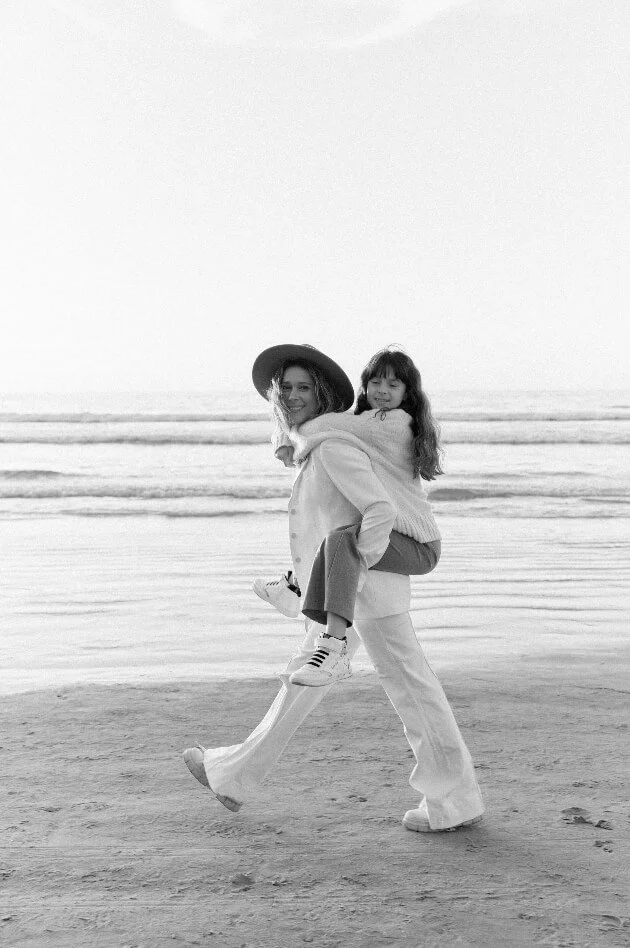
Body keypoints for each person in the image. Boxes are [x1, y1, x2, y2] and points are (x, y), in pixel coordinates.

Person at [183, 344, 484, 833]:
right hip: (347, 590)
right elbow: (325, 524)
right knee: (307, 682)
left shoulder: (337, 446)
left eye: (305, 387)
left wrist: (351, 569)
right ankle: (232, 776)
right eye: (287, 388)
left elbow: (374, 514)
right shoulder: (320, 444)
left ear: (322, 393)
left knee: (412, 690)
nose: (295, 396)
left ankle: (454, 802)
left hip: (368, 585)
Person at [255, 347, 443, 687]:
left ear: (408, 393)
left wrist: (355, 563)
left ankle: (330, 639)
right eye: (375, 382)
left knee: (410, 685)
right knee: (409, 686)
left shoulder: (386, 425)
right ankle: (298, 588)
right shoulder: (361, 427)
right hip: (372, 563)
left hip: (411, 548)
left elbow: (324, 426)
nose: (382, 391)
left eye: (394, 385)